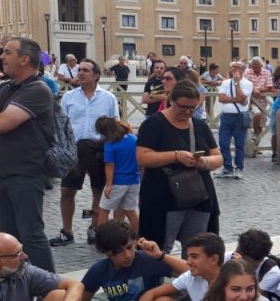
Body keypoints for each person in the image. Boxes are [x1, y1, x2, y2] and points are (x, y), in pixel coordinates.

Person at [0, 37, 58, 273]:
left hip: (25, 172)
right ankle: (16, 285)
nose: (2, 57)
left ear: (24, 59)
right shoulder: (4, 87)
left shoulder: (38, 89)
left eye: (7, 52)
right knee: (7, 236)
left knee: (31, 234)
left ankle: (47, 287)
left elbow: (1, 124)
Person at [136, 80, 222, 254]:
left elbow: (219, 158)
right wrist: (177, 156)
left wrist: (204, 162)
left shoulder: (199, 125)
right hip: (163, 195)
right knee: (160, 247)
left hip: (198, 195)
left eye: (193, 107)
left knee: (198, 248)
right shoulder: (153, 124)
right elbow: (142, 157)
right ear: (172, 100)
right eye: (183, 107)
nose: (188, 111)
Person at [51, 60, 119, 248]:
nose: (80, 73)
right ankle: (67, 231)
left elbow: (115, 125)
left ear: (96, 75)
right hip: (74, 149)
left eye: (85, 70)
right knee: (67, 190)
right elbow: (61, 124)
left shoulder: (108, 98)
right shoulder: (69, 97)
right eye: (79, 70)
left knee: (98, 189)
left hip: (99, 148)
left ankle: (94, 227)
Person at [95, 117, 140, 232]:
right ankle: (139, 238)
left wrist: (109, 185)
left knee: (104, 210)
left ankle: (101, 239)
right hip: (134, 180)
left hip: (118, 182)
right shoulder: (132, 138)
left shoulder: (110, 144)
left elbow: (110, 165)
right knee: (130, 211)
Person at [216, 61, 253, 178]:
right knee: (223, 143)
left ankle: (239, 168)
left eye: (237, 67)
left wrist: (237, 84)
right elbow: (221, 98)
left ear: (243, 70)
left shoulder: (247, 84)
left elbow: (243, 99)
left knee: (239, 144)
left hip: (240, 116)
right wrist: (236, 99)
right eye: (233, 67)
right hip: (226, 116)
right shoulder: (225, 83)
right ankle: (227, 167)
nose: (235, 69)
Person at [245, 57, 275, 143]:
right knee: (257, 114)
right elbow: (245, 85)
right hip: (251, 101)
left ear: (261, 65)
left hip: (263, 102)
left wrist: (260, 90)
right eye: (252, 65)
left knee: (261, 124)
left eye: (256, 65)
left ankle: (256, 146)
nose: (254, 67)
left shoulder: (267, 73)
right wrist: (253, 89)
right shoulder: (247, 72)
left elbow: (270, 86)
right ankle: (255, 134)